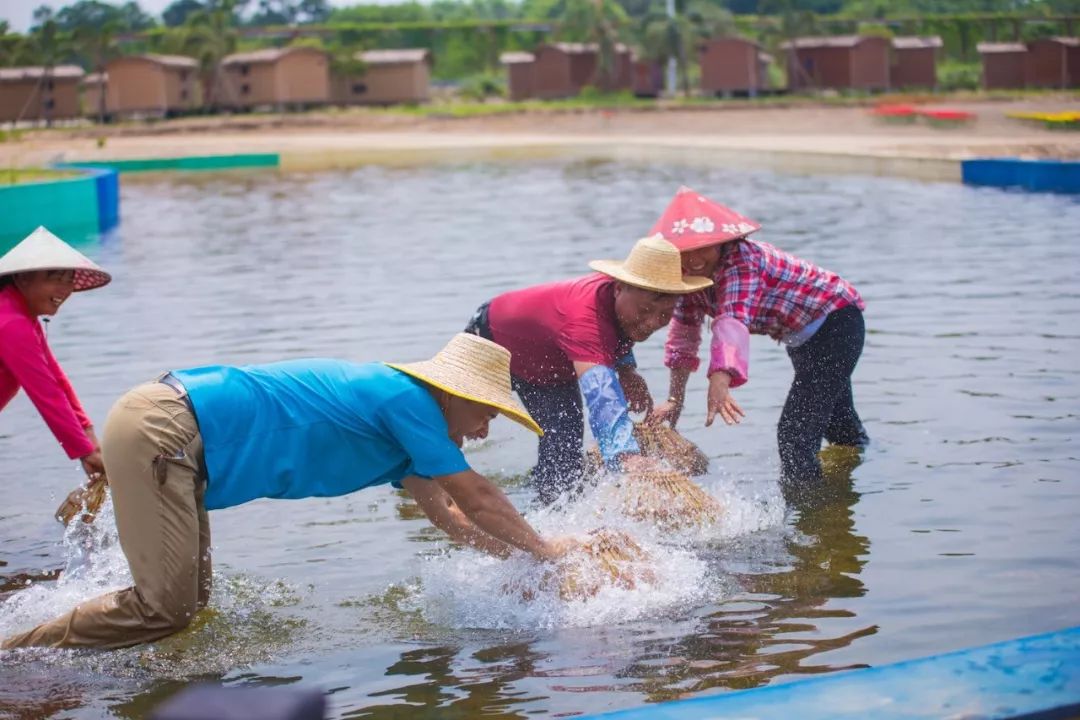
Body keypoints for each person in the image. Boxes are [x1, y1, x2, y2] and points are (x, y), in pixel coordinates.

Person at [1, 333, 574, 650]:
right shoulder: (410, 401)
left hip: (174, 435)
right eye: (486, 413)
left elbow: (454, 519)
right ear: (453, 393)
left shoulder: (411, 439)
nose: (484, 430)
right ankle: (16, 655)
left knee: (185, 608)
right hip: (169, 427)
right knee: (166, 607)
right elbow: (479, 498)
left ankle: (40, 640)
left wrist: (530, 571)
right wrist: (550, 556)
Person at [647, 187, 868, 499]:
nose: (694, 260)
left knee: (794, 434)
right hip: (801, 336)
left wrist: (720, 378)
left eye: (704, 248)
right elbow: (684, 332)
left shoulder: (742, 261)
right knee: (838, 424)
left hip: (836, 321)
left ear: (723, 242)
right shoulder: (686, 277)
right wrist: (674, 398)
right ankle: (859, 471)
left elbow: (731, 319)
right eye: (685, 251)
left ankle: (811, 516)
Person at [464, 235, 712, 504]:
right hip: (491, 340)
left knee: (565, 442)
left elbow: (615, 333)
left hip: (549, 368)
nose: (652, 322)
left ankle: (550, 513)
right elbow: (601, 394)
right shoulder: (584, 317)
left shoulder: (620, 304)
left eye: (664, 314)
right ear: (619, 288)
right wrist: (626, 456)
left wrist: (627, 371)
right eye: (645, 310)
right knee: (457, 424)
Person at [0, 226, 111, 483]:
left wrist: (88, 433)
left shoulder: (20, 314)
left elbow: (55, 377)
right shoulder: (10, 322)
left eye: (69, 279)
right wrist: (85, 451)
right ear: (23, 279)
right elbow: (45, 393)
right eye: (56, 277)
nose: (65, 288)